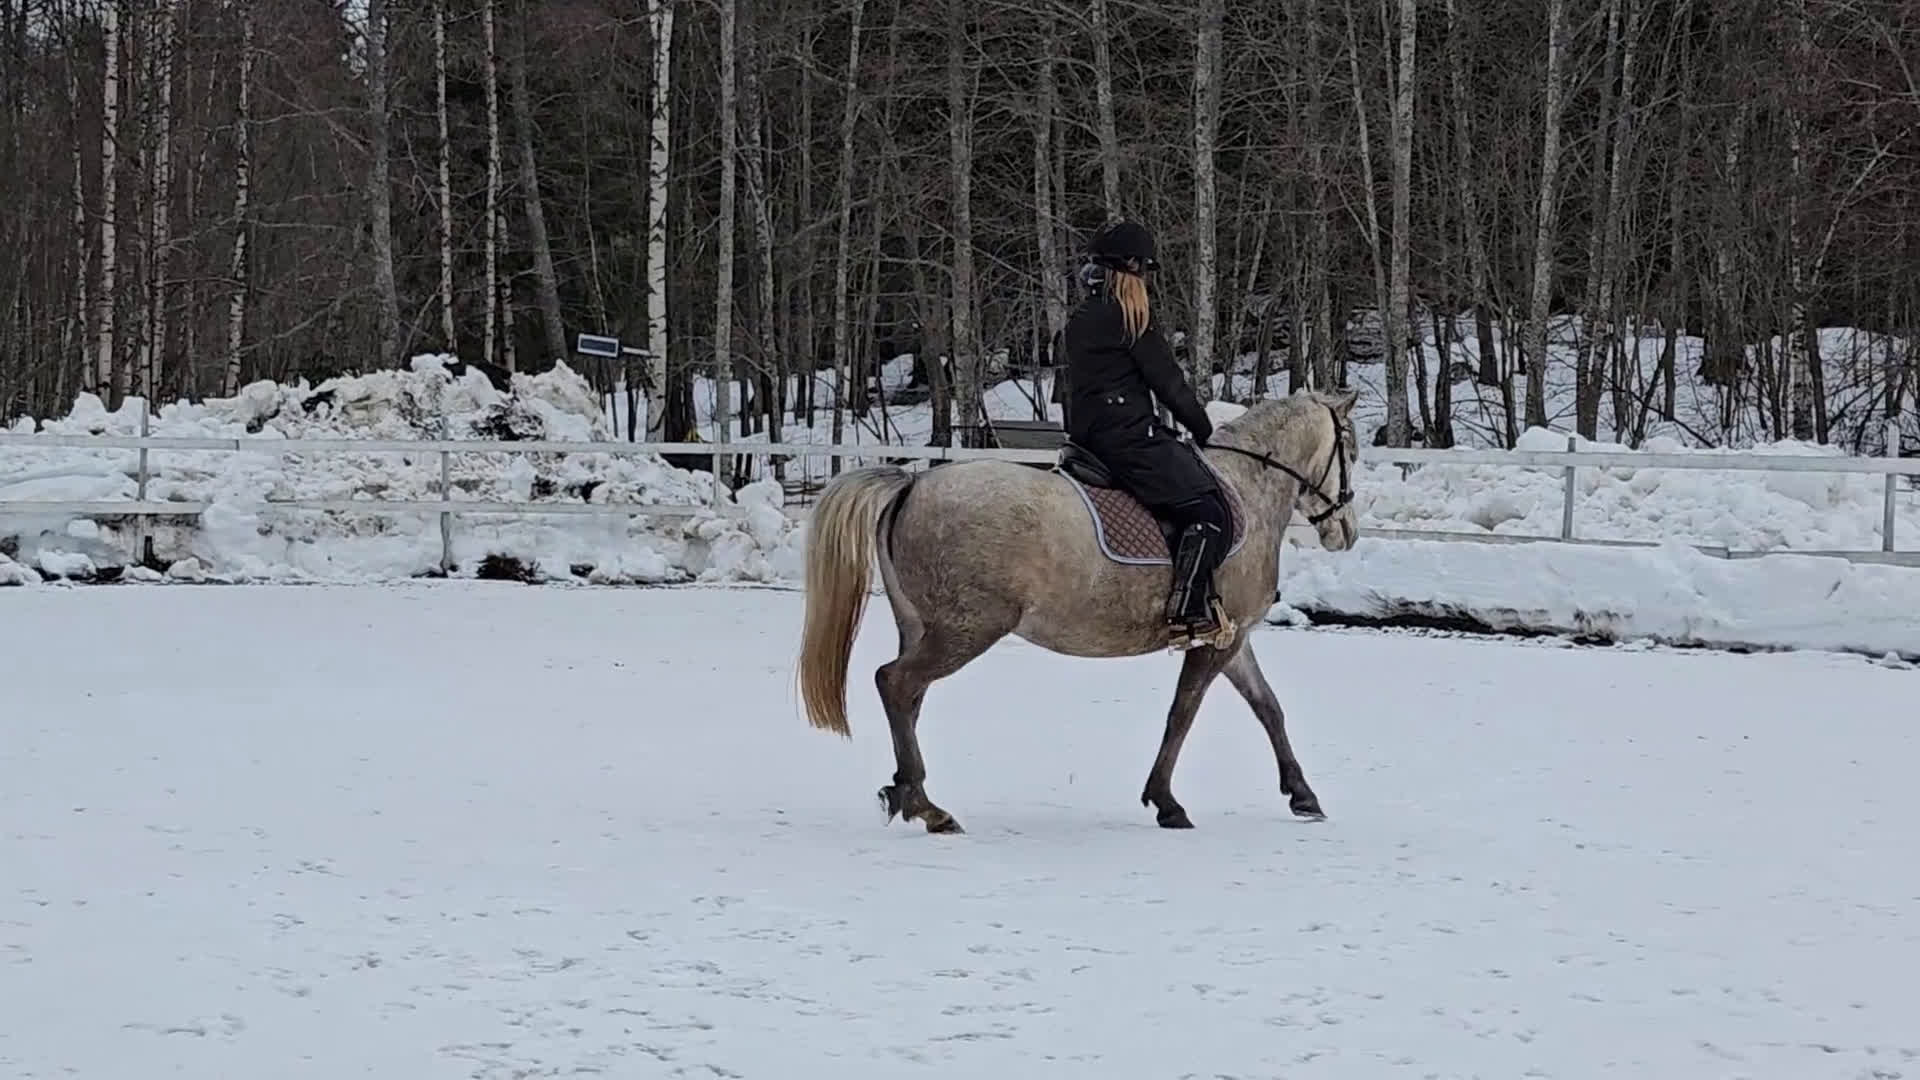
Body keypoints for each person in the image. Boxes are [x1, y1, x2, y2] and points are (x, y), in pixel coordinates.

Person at [1061, 219, 1234, 648]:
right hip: (1127, 439)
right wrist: (1203, 426)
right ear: (1131, 267)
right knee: (1208, 511)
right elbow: (1168, 382)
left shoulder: (1081, 317)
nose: (1145, 281)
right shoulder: (1128, 317)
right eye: (1143, 271)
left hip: (1088, 437)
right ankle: (1189, 611)